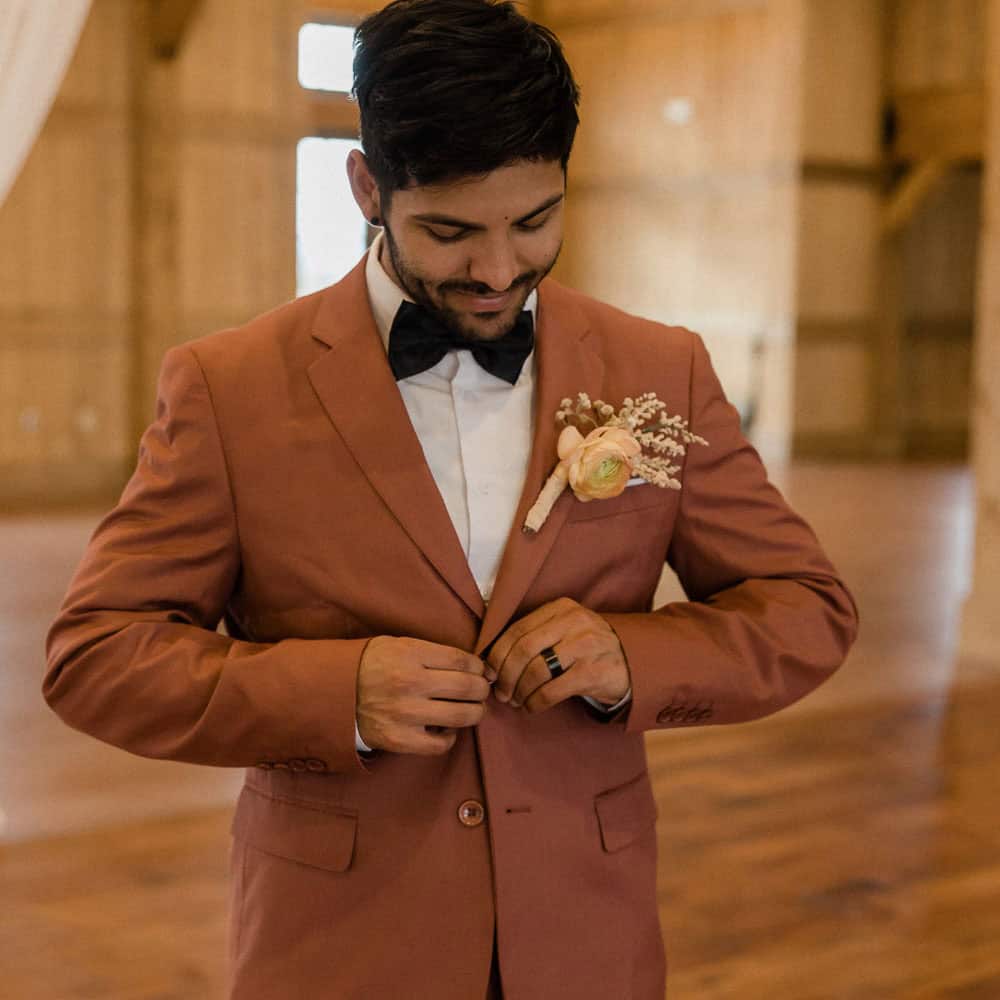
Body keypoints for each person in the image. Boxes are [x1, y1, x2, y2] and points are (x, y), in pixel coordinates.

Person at [43, 1, 860, 997]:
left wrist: (631, 655)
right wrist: (335, 695)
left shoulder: (660, 370)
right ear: (367, 187)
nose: (498, 270)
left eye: (534, 221)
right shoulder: (227, 387)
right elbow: (96, 655)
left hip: (586, 939)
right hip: (340, 947)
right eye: (450, 231)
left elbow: (807, 609)